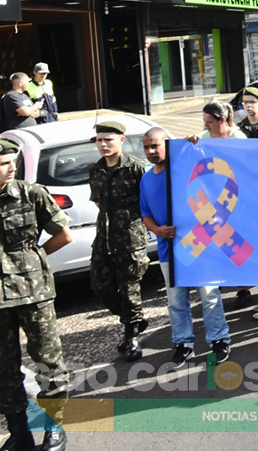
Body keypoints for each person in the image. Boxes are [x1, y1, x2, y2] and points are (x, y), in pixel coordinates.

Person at [0, 136, 72, 451]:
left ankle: (54, 428)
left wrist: (34, 258)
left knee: (47, 361)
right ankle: (19, 433)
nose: (10, 167)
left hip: (33, 294)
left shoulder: (31, 194)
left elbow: (64, 234)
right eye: (3, 163)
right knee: (4, 368)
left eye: (11, 161)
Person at [139, 128, 232, 369]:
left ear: (167, 145)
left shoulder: (183, 169)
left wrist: (191, 144)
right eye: (146, 147)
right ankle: (183, 344)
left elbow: (206, 165)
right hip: (168, 249)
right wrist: (157, 231)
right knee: (176, 300)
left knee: (209, 295)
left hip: (200, 244)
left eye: (156, 146)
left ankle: (219, 340)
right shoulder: (146, 179)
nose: (150, 151)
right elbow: (145, 214)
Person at [88, 120, 151, 361]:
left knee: (129, 289)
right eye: (99, 140)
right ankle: (134, 321)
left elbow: (146, 201)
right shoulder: (95, 169)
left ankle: (131, 337)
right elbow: (98, 203)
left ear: (121, 140)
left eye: (108, 140)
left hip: (130, 238)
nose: (103, 145)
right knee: (100, 285)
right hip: (103, 238)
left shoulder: (135, 168)